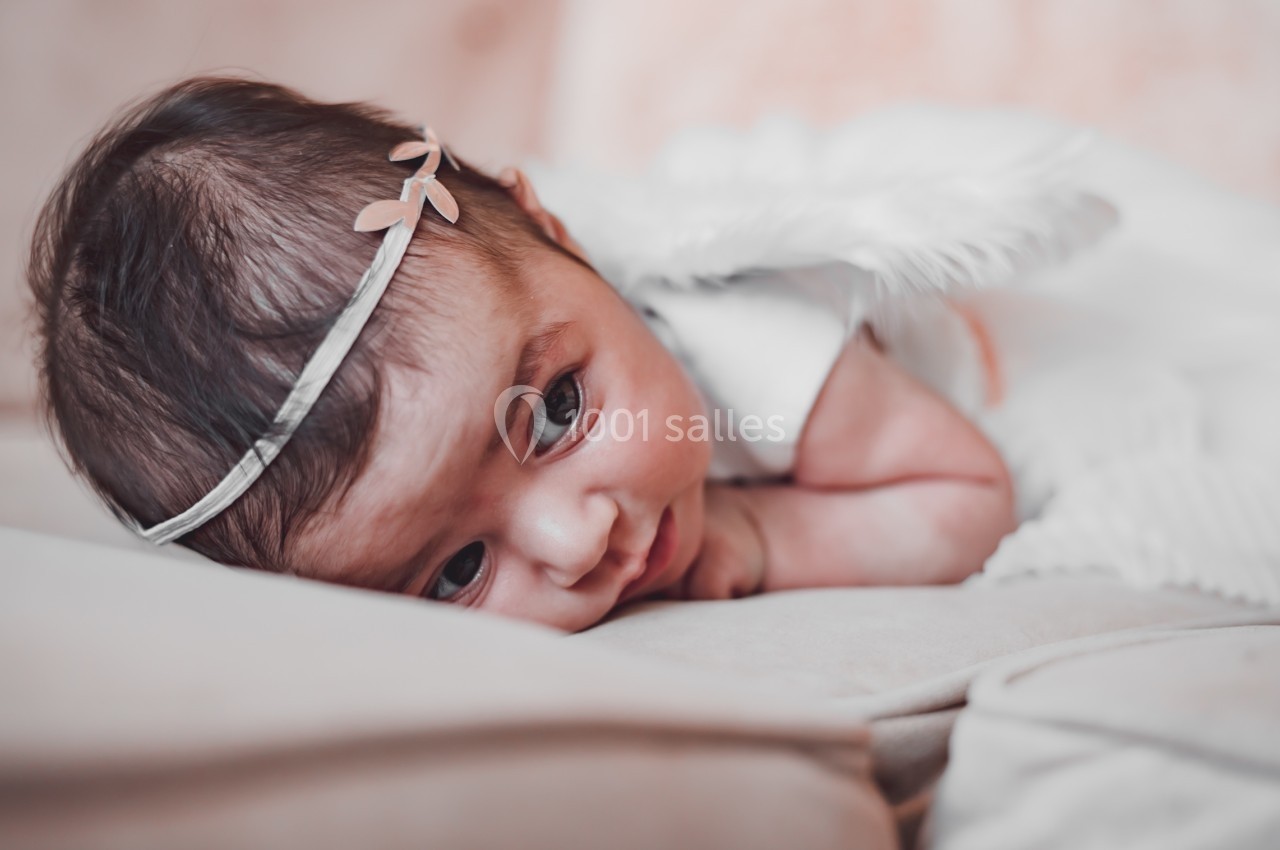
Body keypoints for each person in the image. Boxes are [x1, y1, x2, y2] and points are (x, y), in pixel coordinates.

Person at [27, 76, 1049, 633]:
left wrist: (761, 536)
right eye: (454, 572)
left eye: (557, 411)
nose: (574, 544)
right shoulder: (532, 347)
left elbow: (963, 489)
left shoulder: (748, 344)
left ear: (558, 234)